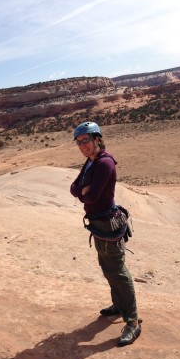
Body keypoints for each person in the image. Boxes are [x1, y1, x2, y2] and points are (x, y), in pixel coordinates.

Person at [69, 121, 141, 346]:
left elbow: (90, 197)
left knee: (117, 270)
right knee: (107, 268)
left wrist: (83, 193)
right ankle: (119, 306)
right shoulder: (90, 163)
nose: (82, 146)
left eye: (86, 141)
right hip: (97, 223)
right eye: (79, 143)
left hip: (108, 223)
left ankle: (132, 322)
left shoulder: (104, 163)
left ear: (97, 139)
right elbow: (74, 187)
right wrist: (83, 190)